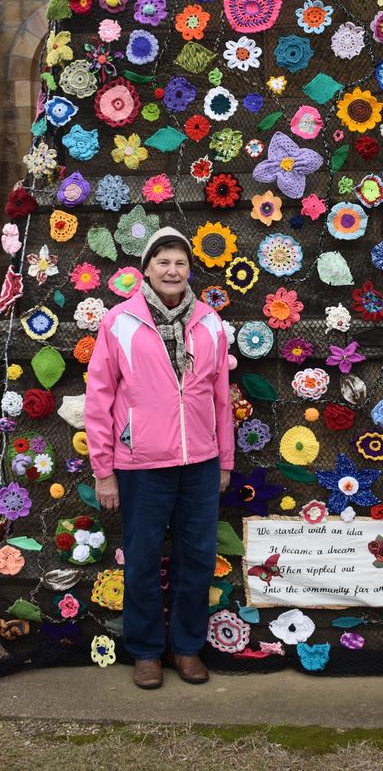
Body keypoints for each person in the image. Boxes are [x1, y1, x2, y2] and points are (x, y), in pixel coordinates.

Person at [85, 227, 234, 689]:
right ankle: (147, 652)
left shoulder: (209, 322)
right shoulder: (119, 322)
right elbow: (99, 397)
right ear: (146, 268)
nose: (172, 270)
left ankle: (187, 648)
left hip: (200, 463)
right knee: (144, 559)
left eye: (181, 263)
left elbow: (221, 397)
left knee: (198, 558)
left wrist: (224, 460)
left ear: (190, 270)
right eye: (164, 262)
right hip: (141, 464)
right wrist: (103, 471)